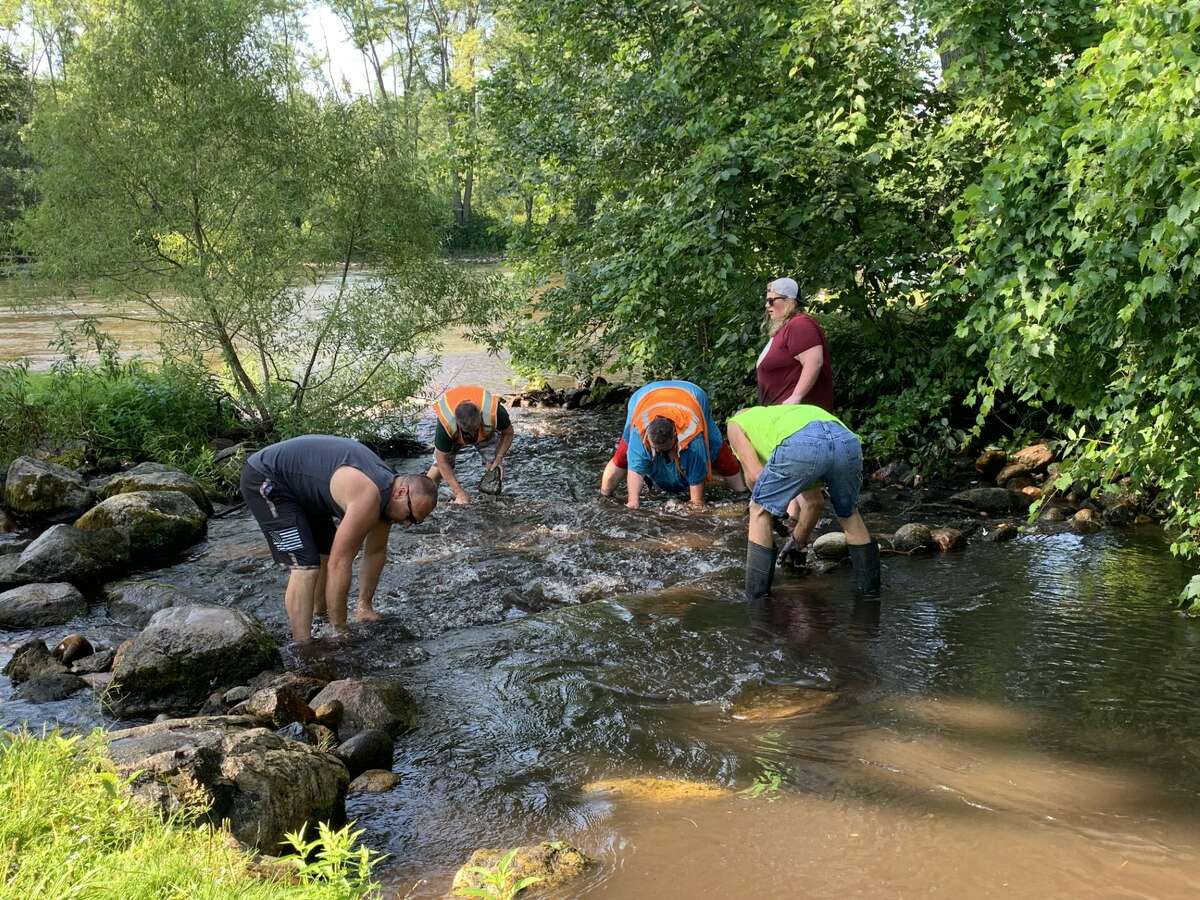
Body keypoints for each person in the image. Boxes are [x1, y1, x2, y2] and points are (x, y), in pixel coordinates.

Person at [240, 435, 438, 642]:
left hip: (303, 489)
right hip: (266, 479)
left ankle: (319, 616)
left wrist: (364, 607)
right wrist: (340, 631)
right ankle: (303, 646)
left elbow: (375, 552)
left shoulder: (389, 496)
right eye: (410, 516)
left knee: (324, 552)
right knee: (305, 566)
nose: (407, 524)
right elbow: (340, 563)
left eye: (415, 522)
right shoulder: (369, 496)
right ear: (401, 492)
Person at [725, 404, 880, 600]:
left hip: (801, 444)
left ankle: (756, 596)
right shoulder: (783, 418)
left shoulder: (736, 424)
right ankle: (871, 594)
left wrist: (765, 504)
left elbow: (755, 476)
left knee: (758, 510)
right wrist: (797, 541)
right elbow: (814, 502)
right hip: (846, 440)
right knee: (849, 514)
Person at [757, 276, 836, 542]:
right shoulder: (787, 327)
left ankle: (798, 543)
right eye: (766, 300)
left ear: (789, 301)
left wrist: (796, 397)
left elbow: (813, 362)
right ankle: (795, 532)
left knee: (809, 492)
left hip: (800, 420)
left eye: (772, 300)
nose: (767, 305)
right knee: (799, 487)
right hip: (786, 419)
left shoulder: (801, 325)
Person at [600, 379, 745, 509]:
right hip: (643, 398)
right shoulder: (639, 434)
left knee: (717, 449)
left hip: (692, 395)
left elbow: (697, 502)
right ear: (648, 439)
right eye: (658, 450)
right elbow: (635, 475)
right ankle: (604, 495)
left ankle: (742, 494)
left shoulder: (693, 441)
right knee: (622, 457)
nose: (663, 454)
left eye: (667, 450)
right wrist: (631, 503)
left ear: (676, 436)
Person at [426, 385, 515, 505]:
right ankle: (424, 496)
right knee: (437, 467)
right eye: (469, 431)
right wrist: (459, 492)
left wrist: (499, 457)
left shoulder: (495, 412)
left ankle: (491, 499)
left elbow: (508, 433)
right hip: (455, 436)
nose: (473, 434)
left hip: (486, 433)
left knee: (495, 464)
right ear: (457, 422)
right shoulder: (445, 425)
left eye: (475, 428)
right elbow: (442, 461)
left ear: (480, 414)